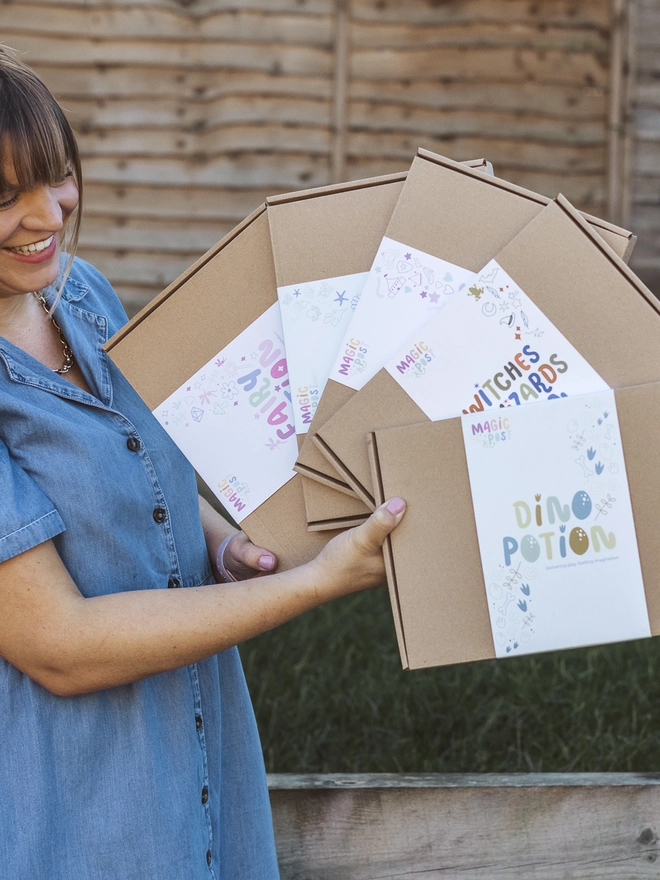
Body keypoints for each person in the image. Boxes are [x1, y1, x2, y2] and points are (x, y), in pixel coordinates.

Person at [0, 45, 406, 879]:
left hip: (197, 752)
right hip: (75, 803)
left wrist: (221, 545)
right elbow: (60, 646)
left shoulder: (80, 294)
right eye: (5, 195)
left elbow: (141, 470)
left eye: (58, 175)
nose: (47, 214)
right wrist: (311, 583)